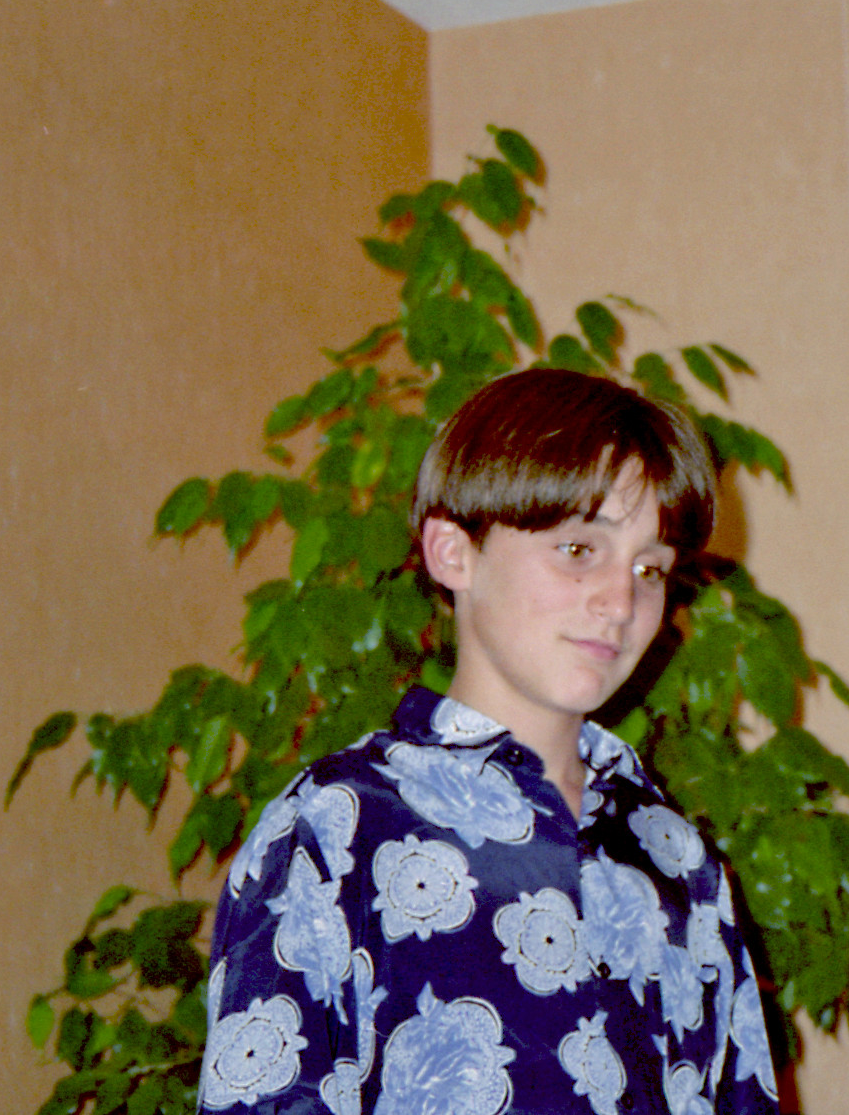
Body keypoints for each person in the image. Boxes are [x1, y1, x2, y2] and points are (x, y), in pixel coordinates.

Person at [198, 368, 780, 1115]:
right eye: (580, 550)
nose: (620, 601)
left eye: (650, 568)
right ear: (453, 552)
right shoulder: (337, 826)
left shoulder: (678, 859)